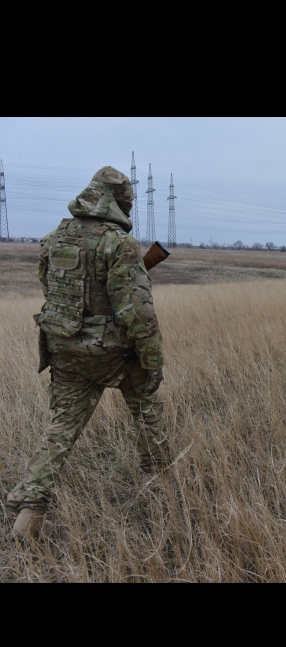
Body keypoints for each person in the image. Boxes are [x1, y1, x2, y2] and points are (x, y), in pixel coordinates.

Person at [7, 166, 171, 540]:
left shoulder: (55, 237)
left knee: (62, 426)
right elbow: (138, 312)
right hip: (112, 354)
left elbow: (52, 288)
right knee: (146, 405)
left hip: (63, 348)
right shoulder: (118, 243)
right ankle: (160, 485)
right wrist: (153, 361)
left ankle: (29, 515)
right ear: (118, 203)